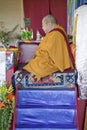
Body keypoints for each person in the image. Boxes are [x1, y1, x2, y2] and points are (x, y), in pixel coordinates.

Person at [22, 14, 75, 81]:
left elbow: (48, 52)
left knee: (37, 65)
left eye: (43, 25)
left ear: (49, 24)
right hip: (51, 58)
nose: (42, 27)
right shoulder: (54, 33)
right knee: (33, 62)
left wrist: (38, 53)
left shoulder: (56, 34)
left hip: (54, 62)